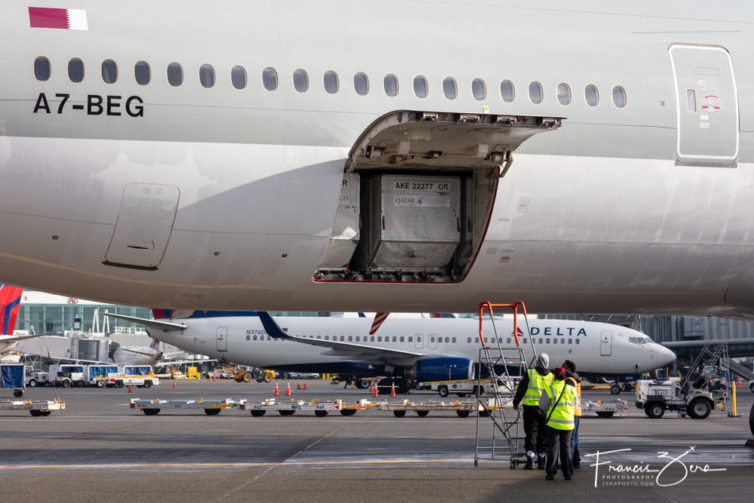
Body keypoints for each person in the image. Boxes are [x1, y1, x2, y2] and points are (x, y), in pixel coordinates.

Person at [513, 353, 552, 469]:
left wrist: (516, 402)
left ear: (537, 361)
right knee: (543, 435)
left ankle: (530, 461)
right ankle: (542, 461)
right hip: (545, 409)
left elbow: (521, 390)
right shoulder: (551, 376)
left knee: (531, 434)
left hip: (530, 409)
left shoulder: (530, 373)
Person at [539, 367, 577, 481]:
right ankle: (568, 473)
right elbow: (575, 405)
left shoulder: (550, 389)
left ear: (554, 376)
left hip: (553, 423)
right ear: (565, 376)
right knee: (566, 448)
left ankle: (551, 473)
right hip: (568, 423)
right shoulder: (572, 389)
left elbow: (542, 406)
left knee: (553, 448)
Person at [563, 360, 581, 468]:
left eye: (564, 366)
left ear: (568, 368)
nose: (562, 368)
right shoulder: (575, 378)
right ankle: (576, 460)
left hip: (572, 412)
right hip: (577, 411)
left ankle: (568, 461)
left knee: (571, 439)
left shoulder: (569, 380)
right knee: (575, 437)